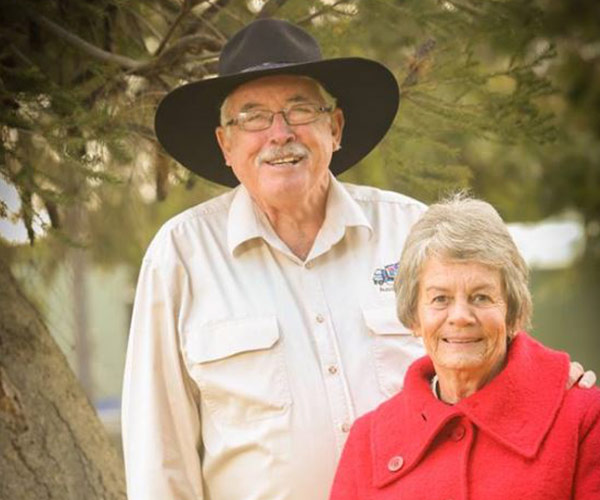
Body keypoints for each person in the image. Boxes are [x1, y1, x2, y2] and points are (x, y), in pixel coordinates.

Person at [121, 18, 595, 500]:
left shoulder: (413, 231)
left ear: (335, 127)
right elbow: (159, 455)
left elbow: (492, 343)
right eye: (253, 117)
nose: (279, 133)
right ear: (226, 144)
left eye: (300, 110)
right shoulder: (180, 255)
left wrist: (557, 386)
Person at [329, 195, 600, 500]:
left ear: (511, 312)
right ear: (414, 317)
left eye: (481, 297)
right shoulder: (367, 441)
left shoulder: (584, 418)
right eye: (440, 299)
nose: (460, 316)